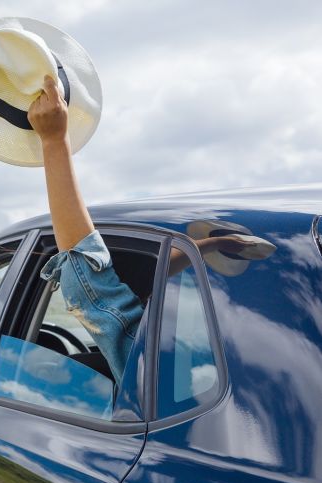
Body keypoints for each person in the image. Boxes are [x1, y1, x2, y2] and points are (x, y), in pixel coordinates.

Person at [27, 75, 255, 382]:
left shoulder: (155, 368)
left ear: (142, 300)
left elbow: (89, 281)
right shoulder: (244, 356)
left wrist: (54, 141)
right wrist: (209, 245)